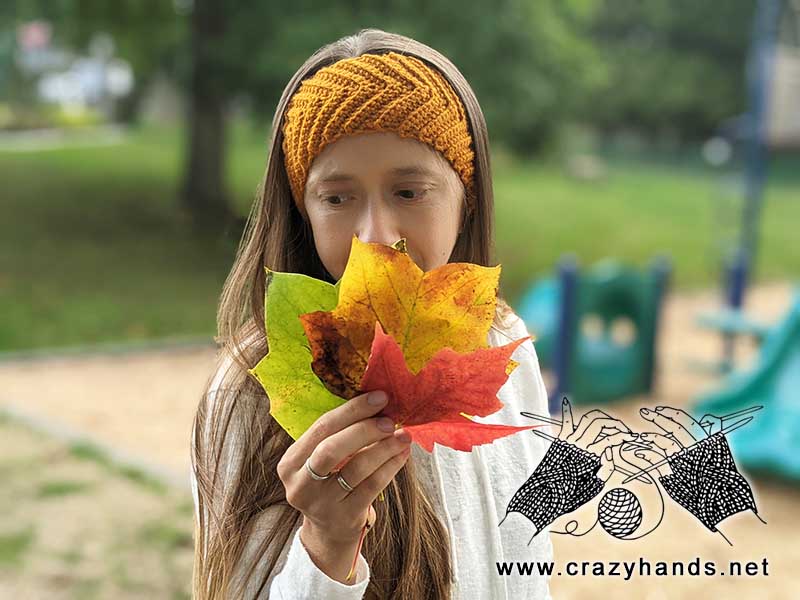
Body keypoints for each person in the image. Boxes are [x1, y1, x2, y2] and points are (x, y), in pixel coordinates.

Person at [190, 28, 558, 599]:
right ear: (302, 212)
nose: (375, 237)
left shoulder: (505, 347)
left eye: (409, 192)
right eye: (337, 198)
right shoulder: (247, 395)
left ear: (467, 198)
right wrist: (327, 544)